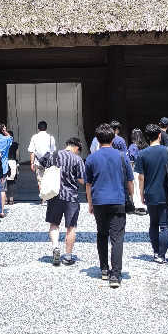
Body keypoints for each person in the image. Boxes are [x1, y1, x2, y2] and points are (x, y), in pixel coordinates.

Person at [84, 122, 133, 289]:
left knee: (101, 234)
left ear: (97, 139)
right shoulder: (121, 156)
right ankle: (115, 274)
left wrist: (90, 203)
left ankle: (104, 269)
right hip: (118, 200)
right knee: (117, 238)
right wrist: (131, 196)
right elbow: (130, 181)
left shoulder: (91, 158)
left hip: (98, 201)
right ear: (114, 138)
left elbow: (88, 184)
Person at [135, 122, 168, 264]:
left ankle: (155, 252)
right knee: (165, 225)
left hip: (150, 193)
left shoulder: (142, 154)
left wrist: (141, 194)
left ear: (147, 138)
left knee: (153, 224)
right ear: (160, 135)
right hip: (166, 193)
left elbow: (141, 177)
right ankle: (162, 255)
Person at [47, 137, 86, 266]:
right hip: (71, 197)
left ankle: (55, 247)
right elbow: (82, 180)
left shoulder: (54, 155)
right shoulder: (77, 159)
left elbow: (46, 171)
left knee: (54, 224)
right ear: (76, 147)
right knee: (71, 227)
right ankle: (68, 257)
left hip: (54, 195)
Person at [28, 120, 56, 192]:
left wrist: (32, 163)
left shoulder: (34, 137)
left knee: (40, 180)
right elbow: (53, 151)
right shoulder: (51, 137)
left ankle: (43, 199)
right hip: (48, 162)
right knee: (48, 180)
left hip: (38, 162)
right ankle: (48, 198)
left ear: (38, 128)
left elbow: (32, 151)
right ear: (46, 128)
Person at [0, 123, 13, 216]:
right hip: (3, 167)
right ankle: (1, 210)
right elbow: (10, 137)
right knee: (2, 190)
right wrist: (5, 131)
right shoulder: (6, 139)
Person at [128, 128, 147, 214]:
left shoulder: (132, 147)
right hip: (145, 168)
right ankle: (144, 202)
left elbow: (131, 159)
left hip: (135, 168)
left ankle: (138, 204)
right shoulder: (145, 145)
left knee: (136, 186)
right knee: (143, 186)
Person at [6, 132, 19, 204]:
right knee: (12, 181)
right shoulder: (15, 144)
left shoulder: (4, 144)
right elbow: (17, 154)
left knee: (4, 181)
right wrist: (17, 162)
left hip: (5, 162)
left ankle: (5, 199)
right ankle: (11, 199)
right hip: (13, 162)